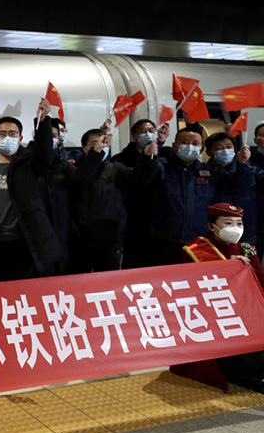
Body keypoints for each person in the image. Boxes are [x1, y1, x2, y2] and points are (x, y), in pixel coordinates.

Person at [0, 101, 101, 281]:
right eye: (2, 134)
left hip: (25, 240)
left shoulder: (28, 164)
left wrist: (43, 123)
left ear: (20, 138)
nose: (7, 138)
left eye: (13, 134)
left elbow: (44, 153)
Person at [171, 203, 264, 393]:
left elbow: (261, 284)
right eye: (228, 223)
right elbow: (193, 291)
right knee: (245, 366)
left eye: (239, 223)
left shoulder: (246, 249)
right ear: (211, 226)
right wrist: (225, 267)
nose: (235, 228)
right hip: (218, 324)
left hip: (248, 319)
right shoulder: (194, 250)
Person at [148, 124, 254, 266]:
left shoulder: (210, 171)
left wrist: (242, 164)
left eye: (195, 143)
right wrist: (156, 146)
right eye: (185, 143)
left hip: (199, 242)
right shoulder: (163, 168)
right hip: (164, 240)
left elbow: (238, 186)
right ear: (174, 146)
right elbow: (144, 174)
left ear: (202, 148)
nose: (190, 146)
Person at [68, 129, 158, 273]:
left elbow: (140, 178)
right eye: (95, 144)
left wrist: (148, 158)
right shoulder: (74, 169)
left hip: (110, 239)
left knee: (108, 282)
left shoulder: (116, 168)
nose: (101, 147)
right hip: (80, 239)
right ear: (85, 147)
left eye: (105, 144)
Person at [112, 118, 170, 268]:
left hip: (159, 216)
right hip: (133, 215)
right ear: (134, 136)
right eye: (143, 131)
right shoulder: (121, 159)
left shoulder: (166, 155)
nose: (148, 134)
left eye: (151, 131)